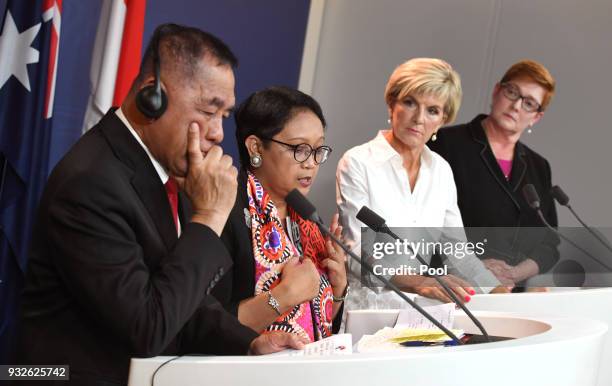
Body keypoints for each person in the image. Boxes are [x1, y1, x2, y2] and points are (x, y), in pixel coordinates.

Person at [14, 24, 304, 386]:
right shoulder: (91, 182)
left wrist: (250, 343)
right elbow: (148, 328)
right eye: (208, 110)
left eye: (224, 116)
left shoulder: (166, 171)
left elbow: (184, 302)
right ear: (153, 97)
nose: (216, 132)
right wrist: (209, 216)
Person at [336, 58, 507, 310]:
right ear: (391, 104)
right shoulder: (358, 162)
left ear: (442, 120)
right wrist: (420, 282)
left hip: (418, 315)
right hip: (365, 313)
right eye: (409, 102)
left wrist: (502, 294)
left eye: (432, 110)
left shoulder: (441, 171)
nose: (418, 118)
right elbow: (358, 254)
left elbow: (458, 252)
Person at [213, 86, 348, 342]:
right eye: (299, 148)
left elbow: (319, 325)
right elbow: (203, 324)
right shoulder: (224, 211)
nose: (310, 162)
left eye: (318, 150)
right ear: (256, 147)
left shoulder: (310, 222)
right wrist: (284, 295)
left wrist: (338, 289)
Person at [429, 59, 559, 289]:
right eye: (512, 92)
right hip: (452, 287)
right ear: (497, 90)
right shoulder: (446, 144)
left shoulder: (539, 166)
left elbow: (549, 244)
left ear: (536, 117)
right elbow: (422, 224)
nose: (517, 106)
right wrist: (475, 268)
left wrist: (515, 274)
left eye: (529, 103)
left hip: (510, 295)